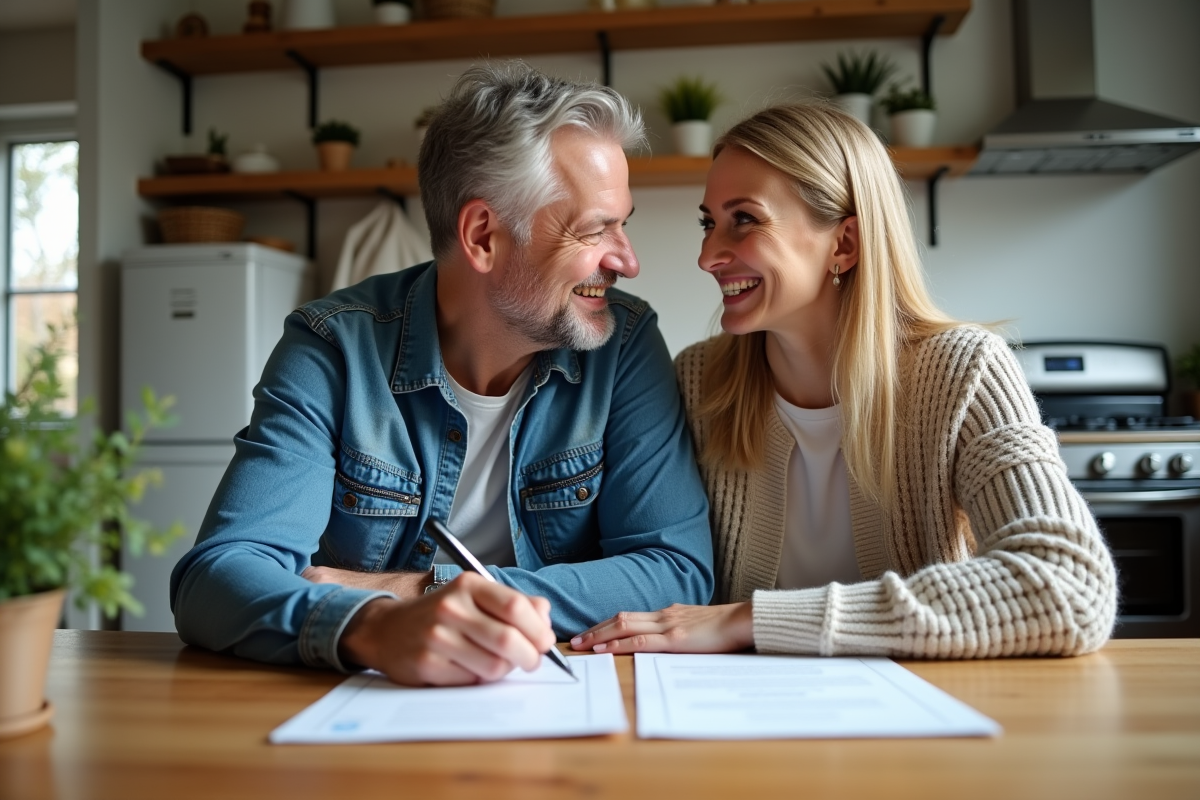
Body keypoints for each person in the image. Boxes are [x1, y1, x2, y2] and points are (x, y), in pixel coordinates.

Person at [171, 62, 714, 686]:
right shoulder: (333, 348)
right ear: (483, 236)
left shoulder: (621, 343)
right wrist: (372, 627)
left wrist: (429, 588)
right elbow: (216, 576)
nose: (628, 260)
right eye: (596, 229)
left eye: (624, 223)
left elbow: (676, 569)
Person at [570, 103, 1117, 659]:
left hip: (920, 721)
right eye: (709, 222)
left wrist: (754, 619)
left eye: (745, 220)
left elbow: (1071, 588)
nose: (708, 255)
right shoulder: (696, 381)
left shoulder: (966, 373)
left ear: (845, 244)